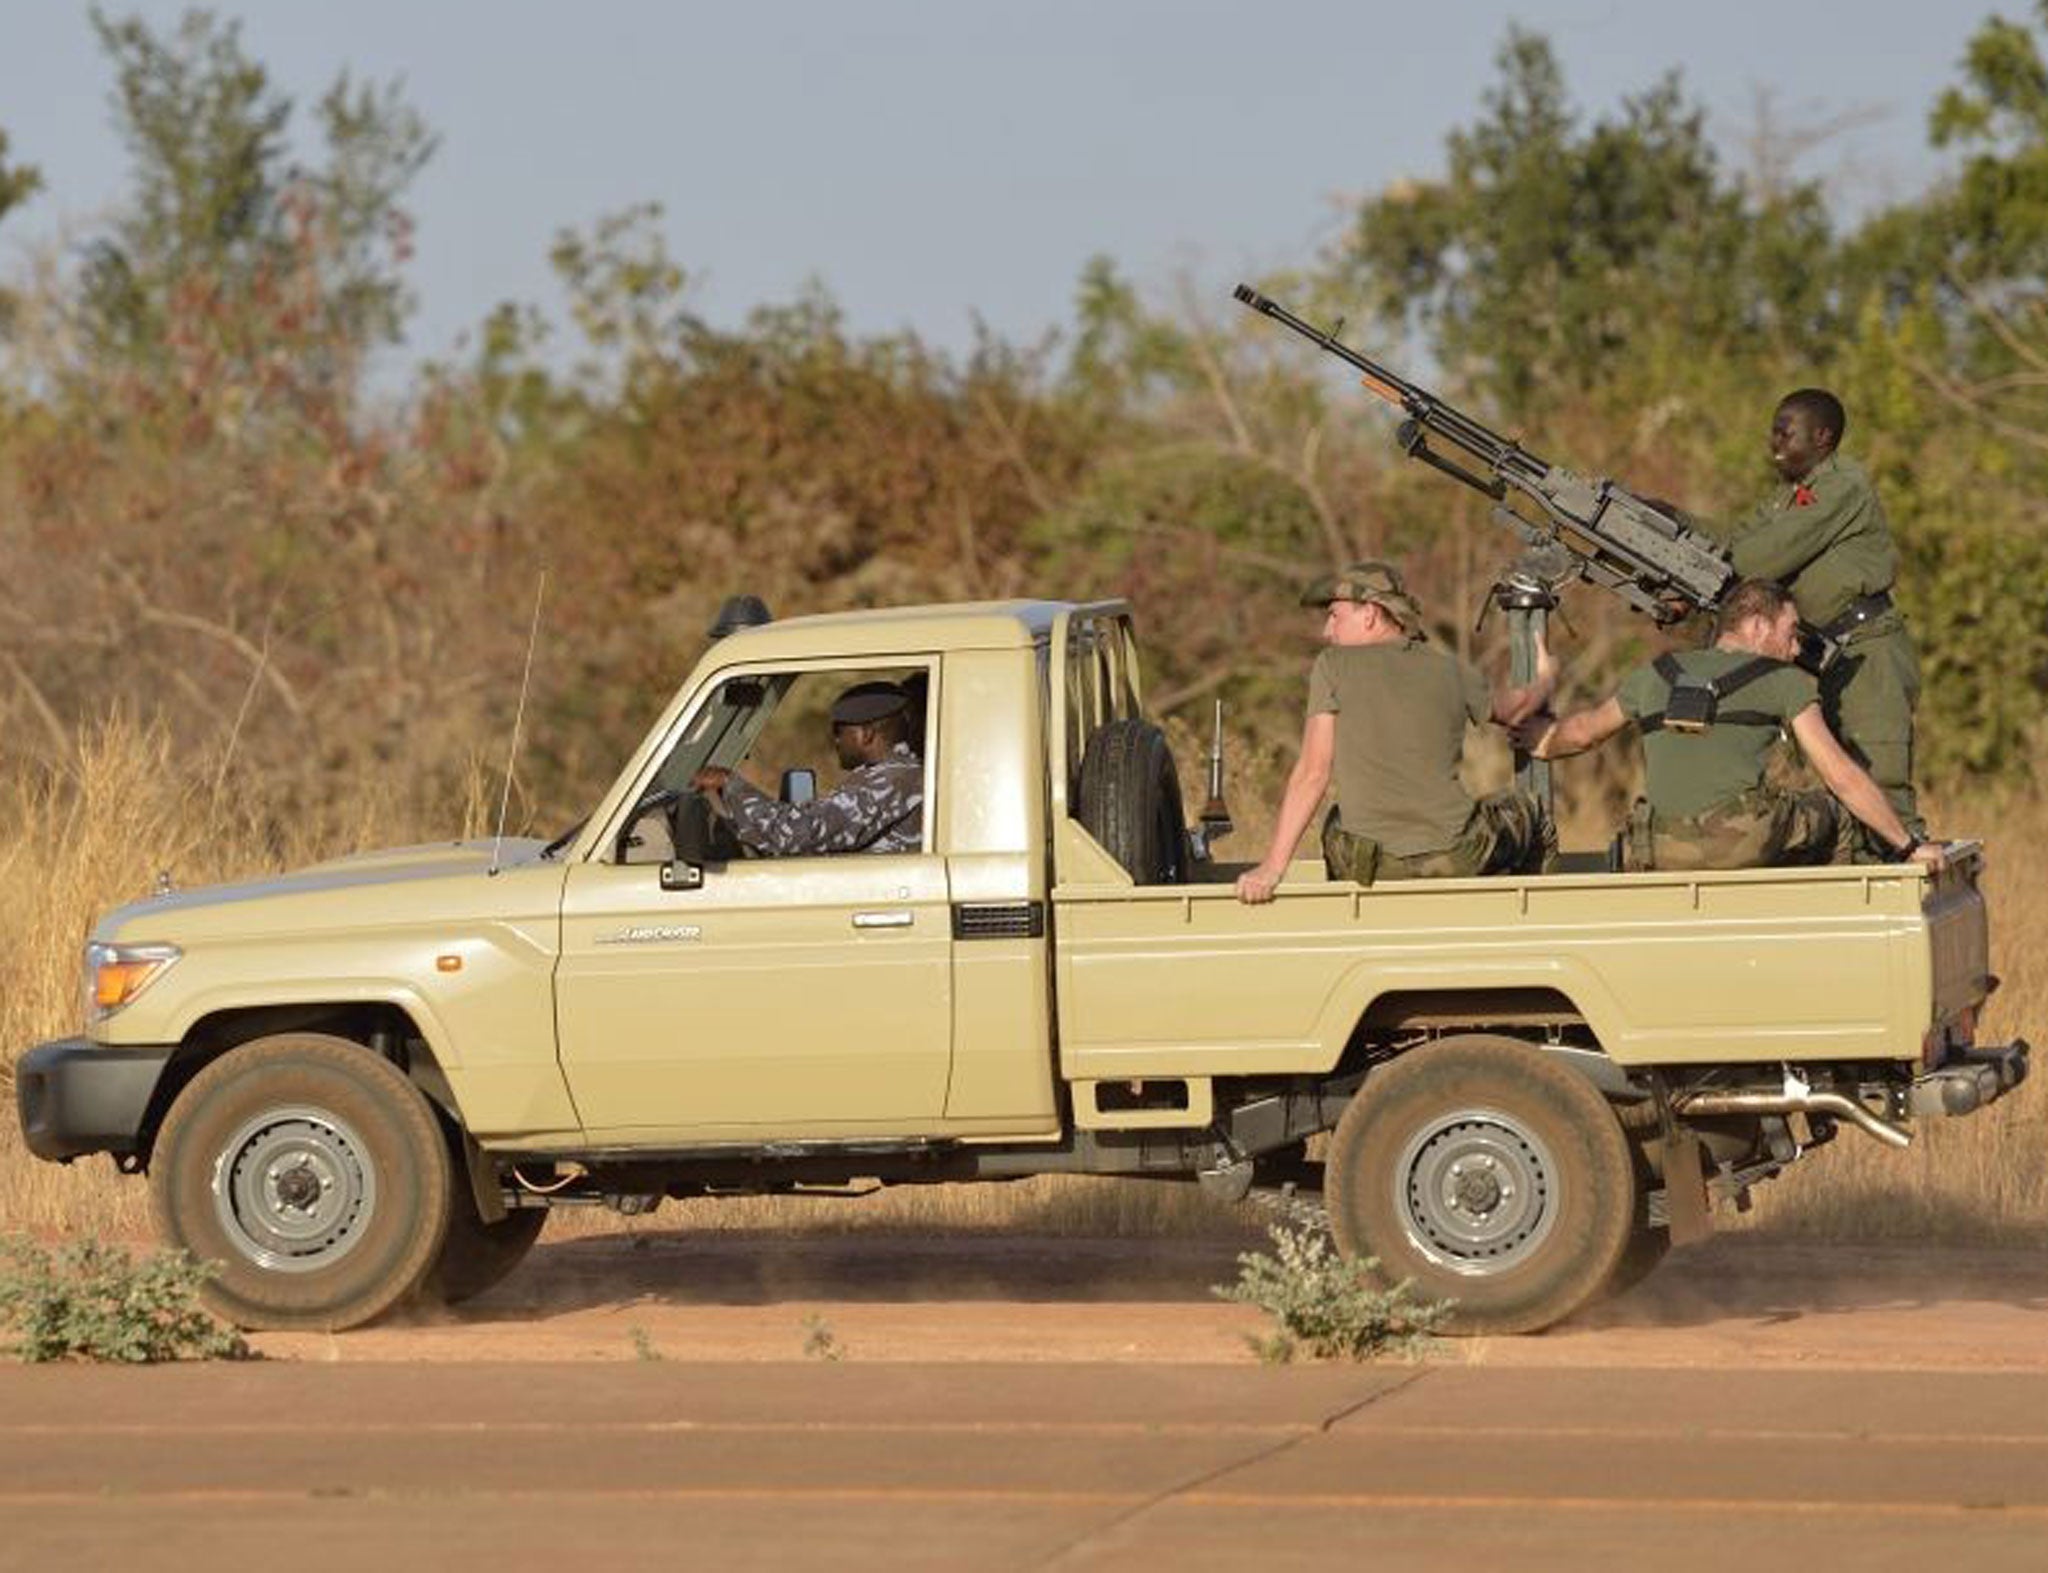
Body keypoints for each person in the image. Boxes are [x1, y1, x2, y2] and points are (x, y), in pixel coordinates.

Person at [1514, 578, 1944, 873]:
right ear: (1757, 626)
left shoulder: (1655, 672)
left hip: (1660, 848)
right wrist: (1908, 846)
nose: (1796, 650)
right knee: (1838, 814)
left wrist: (1540, 737)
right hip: (1740, 842)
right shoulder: (1782, 680)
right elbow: (1842, 775)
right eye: (1791, 633)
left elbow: (1583, 733)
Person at [1235, 561, 1557, 904]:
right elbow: (1516, 709)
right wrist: (1549, 676)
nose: (1328, 631)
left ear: (1370, 614)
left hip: (1371, 866)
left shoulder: (1332, 666)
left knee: (1336, 822)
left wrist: (1272, 868)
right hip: (1457, 855)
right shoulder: (1449, 669)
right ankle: (1528, 922)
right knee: (1534, 814)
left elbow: (1313, 774)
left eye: (1335, 616)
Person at [1711, 388, 1921, 855]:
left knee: (1882, 793)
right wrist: (1663, 521)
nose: (1774, 443)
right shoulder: (1788, 498)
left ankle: (1900, 908)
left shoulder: (1844, 486)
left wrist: (1708, 563)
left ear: (1823, 437)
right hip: (1820, 656)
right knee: (1838, 799)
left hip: (1868, 655)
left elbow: (1757, 556)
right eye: (1774, 432)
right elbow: (1727, 541)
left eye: (1786, 432)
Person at [690, 680, 923, 856]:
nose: (836, 740)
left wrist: (730, 785)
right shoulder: (900, 774)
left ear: (866, 735)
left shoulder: (893, 779)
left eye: (839, 731)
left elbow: (796, 833)